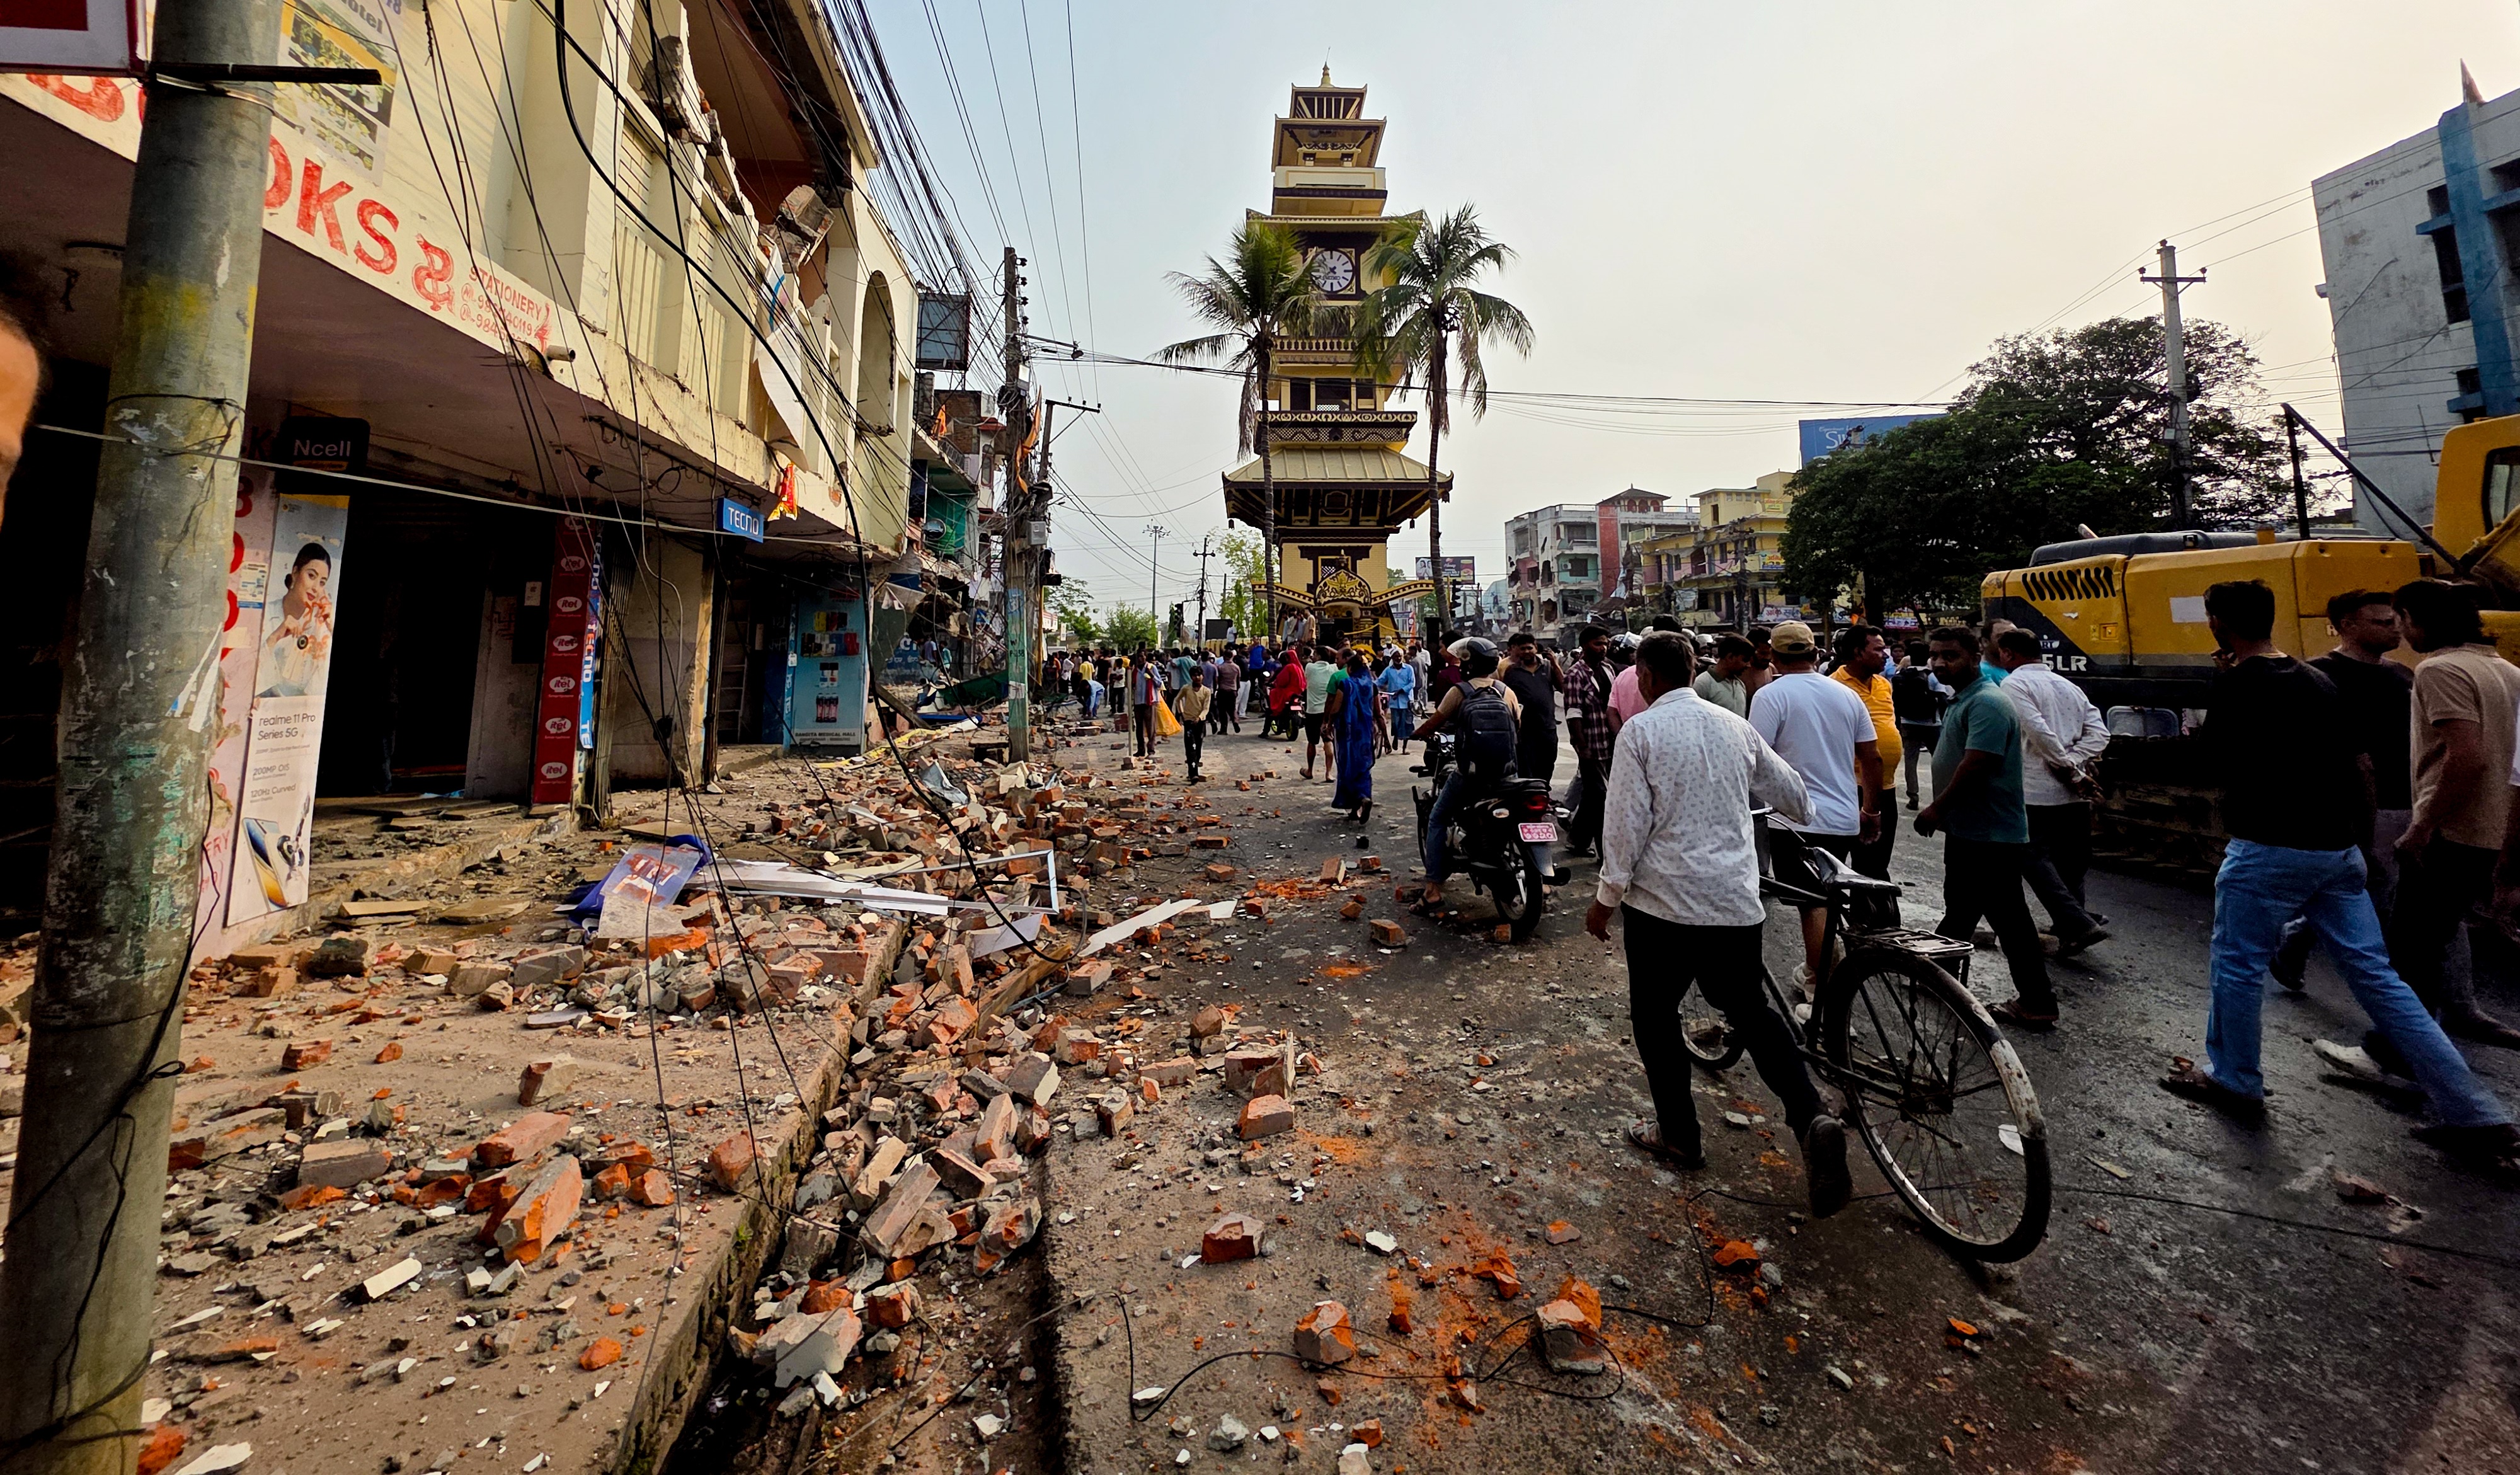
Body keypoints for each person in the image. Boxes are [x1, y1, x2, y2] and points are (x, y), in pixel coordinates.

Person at [2158, 579, 2516, 1164]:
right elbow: (2362, 766)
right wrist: (2364, 843)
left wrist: (2222, 690)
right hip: (2338, 850)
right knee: (2381, 978)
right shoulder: (2316, 679)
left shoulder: (2237, 683)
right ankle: (2475, 1109)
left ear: (2218, 621)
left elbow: (2210, 761)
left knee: (2239, 964)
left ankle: (2235, 1079)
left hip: (2267, 848)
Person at [1583, 631, 1852, 1216]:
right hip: (1734, 902)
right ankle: (1809, 1115)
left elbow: (1625, 825)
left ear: (1647, 678)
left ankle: (1680, 1135)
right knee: (1751, 1010)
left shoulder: (1643, 730)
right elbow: (1795, 797)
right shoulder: (1735, 725)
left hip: (1663, 910)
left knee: (1655, 1018)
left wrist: (1606, 898)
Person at [2378, 580, 2520, 1050]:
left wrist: (2422, 827)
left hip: (2450, 833)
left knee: (2409, 952)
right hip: (2488, 833)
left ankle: (2396, 1054)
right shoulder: (2508, 671)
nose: (2400, 631)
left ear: (2417, 619)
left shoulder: (2439, 669)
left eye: (2400, 619)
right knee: (2432, 942)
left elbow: (2468, 756)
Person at [2272, 592, 2415, 996]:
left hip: (2405, 799)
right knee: (2379, 895)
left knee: (2366, 891)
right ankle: (2397, 994)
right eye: (2382, 622)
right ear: (2348, 625)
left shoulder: (2404, 677)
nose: (2394, 630)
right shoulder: (2318, 675)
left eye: (2395, 622)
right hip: (2353, 803)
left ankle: (2295, 941)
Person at [1916, 625, 2058, 1028]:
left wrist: (1936, 809)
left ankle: (2036, 1001)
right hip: (1972, 831)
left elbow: (1979, 764)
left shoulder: (1988, 703)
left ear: (1976, 654)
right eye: (1936, 656)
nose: (1941, 663)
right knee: (1965, 909)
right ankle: (1939, 978)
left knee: (2007, 919)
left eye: (1951, 655)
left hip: (1989, 833)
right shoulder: (1965, 700)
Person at [1750, 621, 1882, 994]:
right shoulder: (1845, 695)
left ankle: (1824, 992)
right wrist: (1871, 811)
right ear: (1816, 654)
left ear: (1774, 656)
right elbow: (1871, 758)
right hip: (1842, 819)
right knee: (1828, 900)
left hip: (1794, 820)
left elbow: (1757, 758)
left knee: (1814, 904)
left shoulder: (1771, 696)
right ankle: (1817, 971)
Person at [1988, 628, 2111, 953]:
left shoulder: (2014, 684)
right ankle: (2073, 926)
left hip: (2036, 787)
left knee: (2032, 855)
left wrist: (2067, 767)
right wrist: (2076, 763)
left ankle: (2077, 922)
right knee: (2071, 859)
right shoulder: (2069, 686)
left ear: (2008, 654)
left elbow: (2038, 732)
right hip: (2071, 789)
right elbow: (2099, 733)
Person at [1409, 637, 1523, 907]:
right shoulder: (1505, 691)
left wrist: (1417, 733)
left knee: (1437, 818)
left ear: (1468, 665)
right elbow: (1518, 726)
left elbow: (1434, 723)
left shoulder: (1460, 692)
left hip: (1471, 776)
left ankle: (1433, 890)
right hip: (1506, 775)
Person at [1830, 624, 1903, 887]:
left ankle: (1871, 921)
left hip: (1887, 789)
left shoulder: (1884, 684)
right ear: (1858, 652)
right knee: (1856, 865)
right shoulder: (1834, 687)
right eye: (1879, 649)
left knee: (1877, 864)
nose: (1886, 655)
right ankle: (1862, 920)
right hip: (1854, 789)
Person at [1561, 626, 1621, 858]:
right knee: (1602, 797)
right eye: (1598, 644)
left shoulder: (1608, 668)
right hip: (1591, 743)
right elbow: (1573, 712)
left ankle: (1577, 840)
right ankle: (1605, 853)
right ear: (1585, 645)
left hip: (1611, 741)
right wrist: (1581, 745)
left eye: (1605, 643)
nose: (1603, 648)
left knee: (1592, 797)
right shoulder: (1576, 674)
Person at [1499, 630, 1562, 785]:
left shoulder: (1547, 667)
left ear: (1536, 648)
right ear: (1517, 651)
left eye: (1529, 648)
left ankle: (1544, 794)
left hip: (1547, 727)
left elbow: (1563, 687)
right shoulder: (1511, 671)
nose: (1527, 652)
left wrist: (1555, 664)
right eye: (1523, 649)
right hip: (1524, 731)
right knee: (1527, 769)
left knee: (1547, 765)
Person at [1891, 637, 1945, 810]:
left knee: (1910, 761)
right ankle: (1940, 797)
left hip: (1908, 723)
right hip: (1932, 724)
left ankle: (1913, 797)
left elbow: (1895, 700)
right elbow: (1943, 700)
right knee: (1938, 761)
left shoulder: (1900, 676)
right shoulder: (1933, 677)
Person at [1327, 651, 1380, 822]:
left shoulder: (1346, 684)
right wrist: (1384, 735)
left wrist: (1328, 724)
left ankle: (1354, 805)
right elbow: (1378, 712)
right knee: (1363, 768)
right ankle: (1364, 797)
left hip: (1347, 733)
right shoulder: (1371, 686)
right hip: (1365, 733)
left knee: (1347, 767)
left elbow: (1336, 708)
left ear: (1350, 668)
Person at [1303, 643, 1341, 782]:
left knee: (1312, 742)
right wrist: (1329, 648)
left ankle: (1310, 770)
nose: (1312, 656)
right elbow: (1348, 657)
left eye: (1315, 654)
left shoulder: (1310, 668)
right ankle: (1329, 773)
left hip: (1312, 711)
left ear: (1319, 656)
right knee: (1328, 741)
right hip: (1327, 712)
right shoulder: (1333, 669)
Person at [1693, 634, 1754, 718]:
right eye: (1745, 660)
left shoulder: (1740, 685)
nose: (1748, 665)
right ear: (1730, 657)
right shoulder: (1702, 684)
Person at [1378, 648, 1417, 754]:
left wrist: (1401, 691)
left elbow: (1412, 683)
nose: (1398, 658)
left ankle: (1404, 747)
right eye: (1396, 656)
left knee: (1407, 724)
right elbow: (1380, 681)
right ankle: (1395, 738)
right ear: (1392, 658)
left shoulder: (1409, 669)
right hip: (1395, 703)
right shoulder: (1389, 670)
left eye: (1400, 656)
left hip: (1407, 701)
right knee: (1396, 723)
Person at [1176, 669, 1212, 782]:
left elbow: (1206, 708)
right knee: (1190, 747)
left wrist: (1200, 717)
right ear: (1191, 677)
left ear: (1203, 677)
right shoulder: (1186, 689)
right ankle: (1193, 774)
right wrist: (1181, 713)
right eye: (1194, 676)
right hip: (1188, 722)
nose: (1197, 678)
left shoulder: (1206, 691)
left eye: (1199, 675)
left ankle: (1194, 766)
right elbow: (1178, 700)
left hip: (1200, 722)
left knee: (1198, 747)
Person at [1268, 648, 1306, 740]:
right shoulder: (1299, 667)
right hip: (1298, 692)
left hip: (1289, 692)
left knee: (1273, 693)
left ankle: (1273, 715)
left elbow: (1281, 682)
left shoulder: (1289, 667)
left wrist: (1275, 684)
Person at [1131, 651, 1161, 758]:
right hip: (1138, 701)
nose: (1140, 659)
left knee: (1151, 727)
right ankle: (1141, 749)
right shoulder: (1135, 670)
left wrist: (1152, 675)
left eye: (1142, 656)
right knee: (1139, 727)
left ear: (1145, 657)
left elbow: (1159, 684)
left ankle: (1151, 749)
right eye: (1138, 657)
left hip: (1150, 701)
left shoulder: (1152, 667)